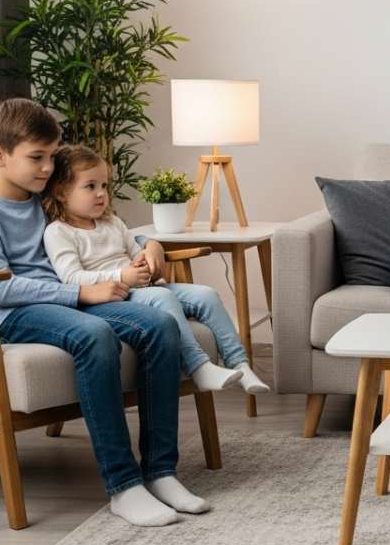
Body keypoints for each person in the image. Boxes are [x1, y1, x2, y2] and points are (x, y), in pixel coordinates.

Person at [0, 98, 205, 526]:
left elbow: (104, 228)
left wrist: (150, 242)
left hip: (75, 297)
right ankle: (123, 486)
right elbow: (1, 286)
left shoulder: (46, 197)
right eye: (36, 157)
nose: (47, 168)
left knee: (162, 326)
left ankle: (161, 472)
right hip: (19, 313)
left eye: (52, 157)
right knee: (95, 336)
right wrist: (80, 294)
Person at [42, 145, 269, 395]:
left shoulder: (112, 223)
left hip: (141, 287)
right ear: (62, 192)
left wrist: (145, 260)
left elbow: (133, 249)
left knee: (206, 294)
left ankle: (241, 365)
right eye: (90, 186)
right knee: (162, 296)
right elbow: (71, 278)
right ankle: (199, 366)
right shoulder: (59, 232)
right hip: (111, 297)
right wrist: (121, 276)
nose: (100, 194)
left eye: (104, 186)